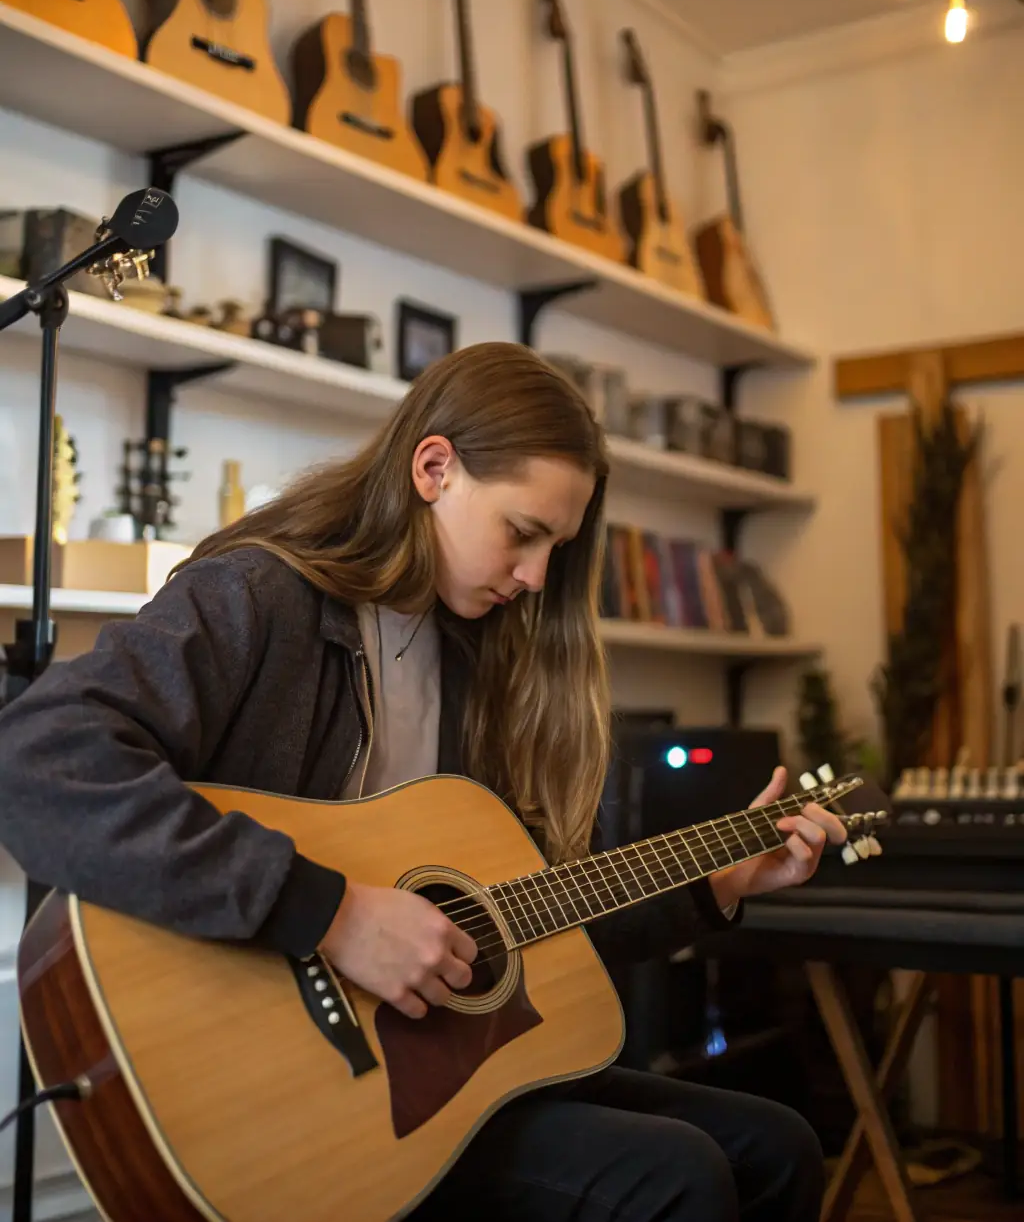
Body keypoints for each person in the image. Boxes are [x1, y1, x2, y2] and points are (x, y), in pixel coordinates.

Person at [0, 341, 845, 1222]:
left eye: (555, 547)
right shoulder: (255, 596)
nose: (535, 577)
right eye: (523, 533)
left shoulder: (471, 651)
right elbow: (35, 759)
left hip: (436, 1069)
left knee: (776, 1148)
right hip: (289, 1099)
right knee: (678, 1176)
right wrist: (332, 912)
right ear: (433, 468)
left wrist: (716, 883)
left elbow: (531, 923)